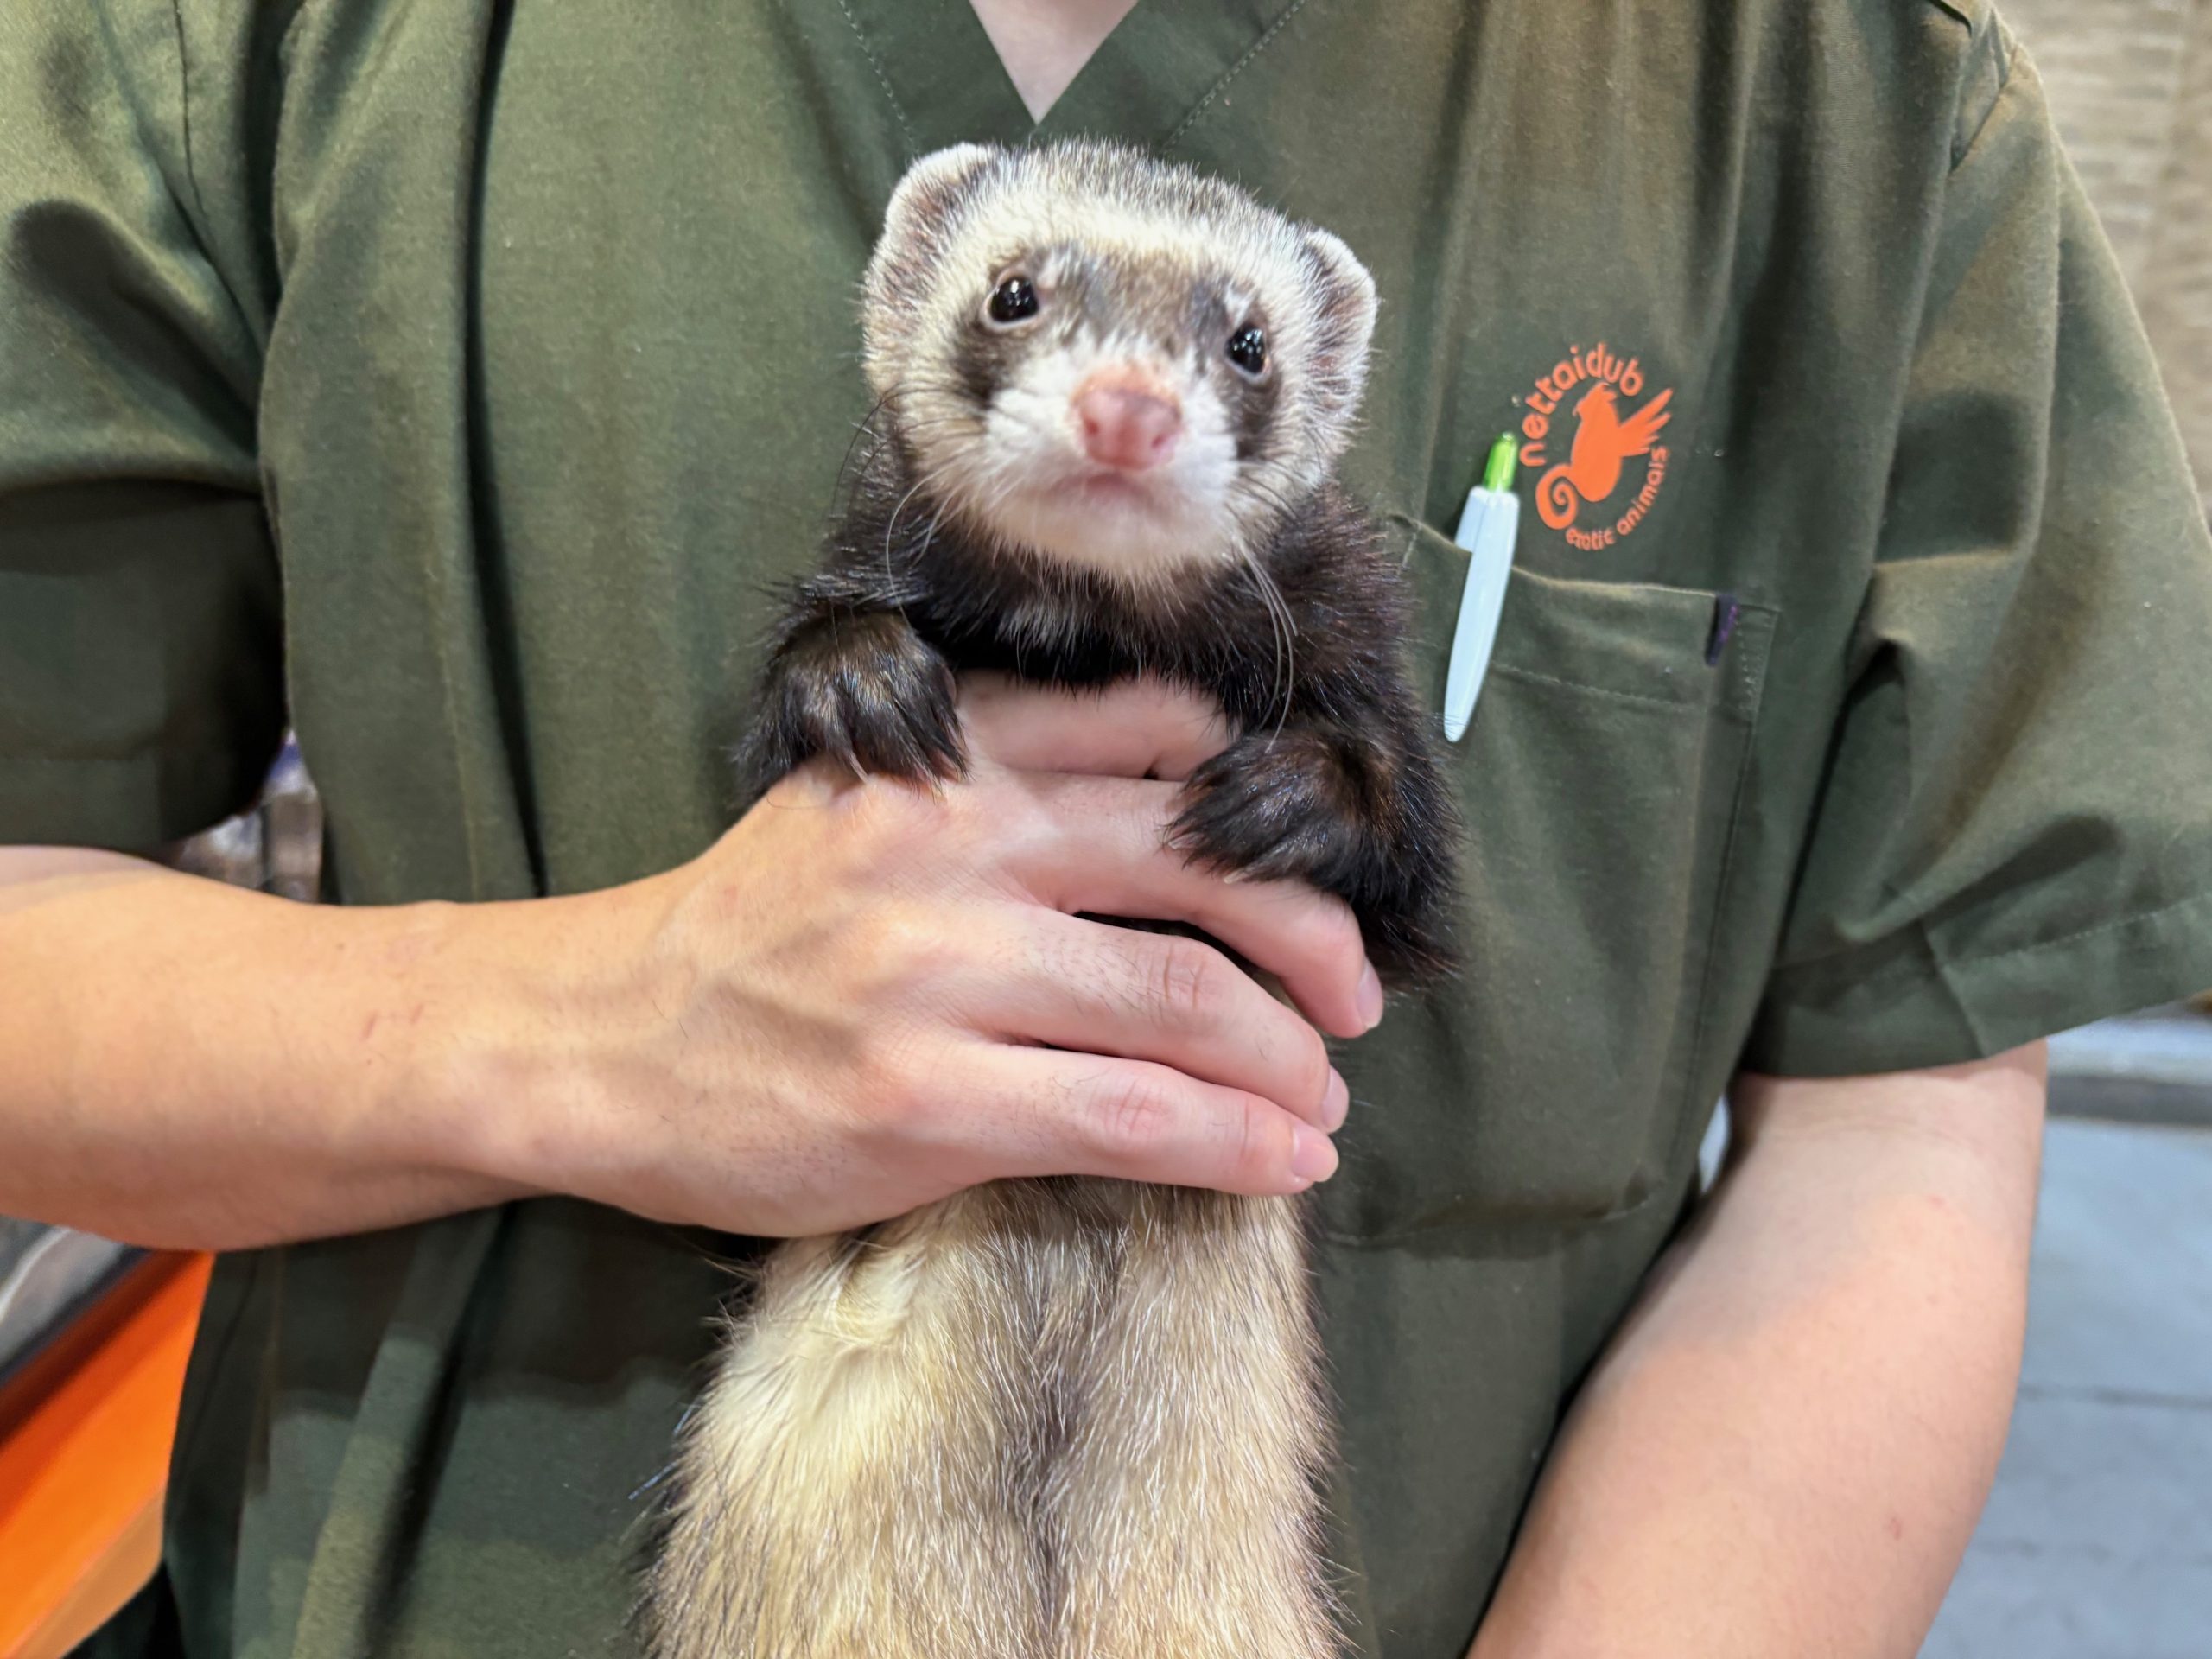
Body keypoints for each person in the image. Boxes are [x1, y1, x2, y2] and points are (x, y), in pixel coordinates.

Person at [3, 0, 2209, 1653]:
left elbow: (1895, 1145)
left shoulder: (1847, 105)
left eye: (1227, 357)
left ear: (1318, 394)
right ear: (912, 296)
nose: (1132, 388)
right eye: (1027, 308)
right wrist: (602, 1023)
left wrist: (1326, 801)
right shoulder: (266, 50)